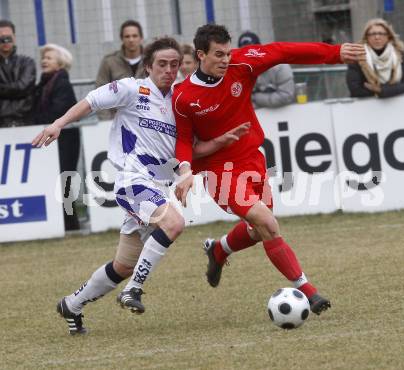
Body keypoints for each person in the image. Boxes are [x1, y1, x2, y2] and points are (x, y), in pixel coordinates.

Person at [32, 37, 250, 335]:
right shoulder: (131, 89)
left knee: (122, 265)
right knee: (174, 223)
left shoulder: (180, 99)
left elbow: (188, 149)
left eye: (175, 65)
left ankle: (72, 304)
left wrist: (220, 142)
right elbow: (91, 102)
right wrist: (58, 123)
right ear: (148, 66)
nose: (169, 70)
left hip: (159, 187)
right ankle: (133, 290)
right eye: (162, 64)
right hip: (132, 182)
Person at [173, 24, 365, 315]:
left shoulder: (242, 62)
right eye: (218, 54)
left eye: (227, 52)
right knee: (267, 222)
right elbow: (184, 138)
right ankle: (308, 291)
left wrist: (335, 53)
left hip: (252, 159)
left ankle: (219, 250)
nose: (226, 59)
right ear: (200, 55)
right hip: (218, 171)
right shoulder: (184, 96)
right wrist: (185, 170)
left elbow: (282, 51)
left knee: (258, 229)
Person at [33, 43, 80, 231]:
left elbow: (57, 111)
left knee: (65, 182)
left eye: (49, 58)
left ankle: (71, 224)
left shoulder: (62, 83)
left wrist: (37, 120)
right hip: (55, 139)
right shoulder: (45, 82)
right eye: (43, 58)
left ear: (60, 63)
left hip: (66, 139)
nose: (44, 61)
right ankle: (62, 224)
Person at [346, 18, 404, 98]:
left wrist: (381, 90)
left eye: (381, 33)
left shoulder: (398, 54)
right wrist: (392, 91)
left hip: (396, 105)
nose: (377, 37)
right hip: (365, 106)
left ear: (388, 36)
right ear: (366, 37)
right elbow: (355, 90)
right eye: (372, 34)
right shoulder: (357, 56)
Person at [95, 20, 145, 120]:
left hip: (146, 119)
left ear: (141, 38)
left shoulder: (152, 60)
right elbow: (100, 93)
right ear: (122, 38)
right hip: (117, 120)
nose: (131, 40)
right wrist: (106, 121)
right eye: (127, 36)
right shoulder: (109, 61)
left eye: (135, 36)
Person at [238, 31, 295, 109]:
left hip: (284, 116)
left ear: (261, 48)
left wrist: (255, 98)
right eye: (244, 52)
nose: (249, 56)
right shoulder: (238, 71)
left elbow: (286, 96)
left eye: (252, 51)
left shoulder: (280, 66)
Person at [0, 19, 36, 127]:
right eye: (1, 37)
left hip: (24, 121)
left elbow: (23, 87)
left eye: (8, 36)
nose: (5, 40)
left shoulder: (27, 62)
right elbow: (20, 88)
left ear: (14, 37)